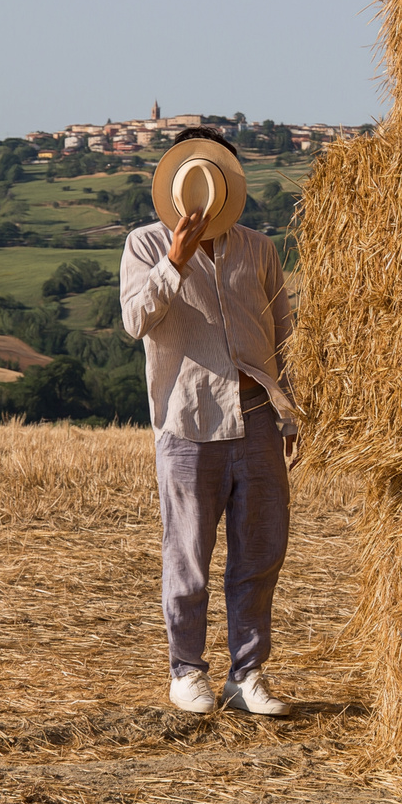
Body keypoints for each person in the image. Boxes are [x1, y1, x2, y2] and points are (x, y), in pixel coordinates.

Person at [120, 126, 299, 716]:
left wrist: (292, 415)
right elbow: (135, 320)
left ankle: (246, 675)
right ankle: (186, 671)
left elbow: (285, 334)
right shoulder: (144, 246)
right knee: (188, 555)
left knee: (261, 552)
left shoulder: (259, 248)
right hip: (188, 419)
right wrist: (175, 261)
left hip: (257, 417)